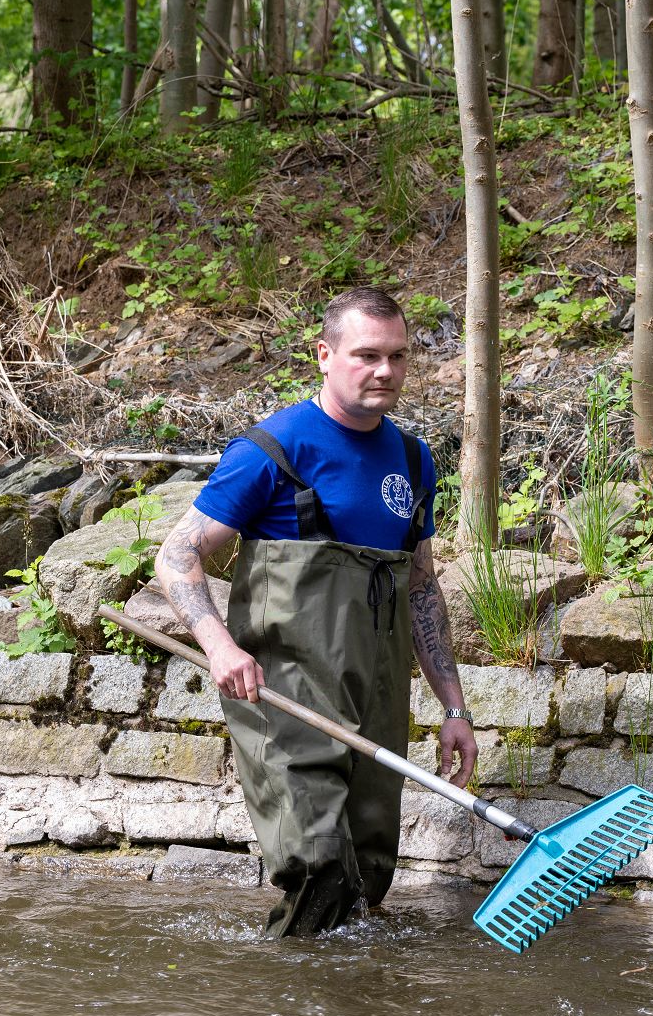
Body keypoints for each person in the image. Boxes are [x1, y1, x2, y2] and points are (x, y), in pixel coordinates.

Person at [155, 286, 477, 937]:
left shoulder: (413, 460)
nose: (384, 371)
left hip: (375, 699)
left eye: (397, 356)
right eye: (367, 355)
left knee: (367, 878)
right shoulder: (272, 450)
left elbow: (420, 588)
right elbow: (176, 555)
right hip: (285, 697)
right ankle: (290, 999)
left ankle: (345, 1000)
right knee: (318, 866)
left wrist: (454, 709)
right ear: (325, 355)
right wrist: (219, 645)